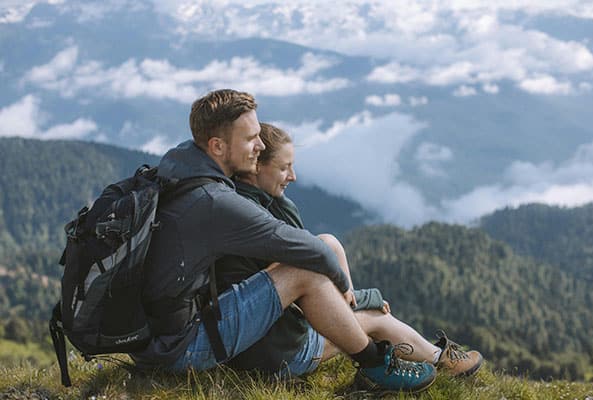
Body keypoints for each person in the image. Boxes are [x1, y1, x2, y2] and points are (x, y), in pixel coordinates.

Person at [131, 89, 438, 394]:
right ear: (217, 146)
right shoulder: (216, 202)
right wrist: (349, 291)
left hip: (157, 338)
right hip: (180, 348)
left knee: (311, 260)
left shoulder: (180, 166)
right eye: (251, 138)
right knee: (303, 268)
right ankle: (375, 365)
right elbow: (308, 250)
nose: (260, 145)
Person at [217, 122, 483, 379]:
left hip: (252, 339)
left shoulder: (245, 201)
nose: (293, 176)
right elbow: (303, 286)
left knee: (328, 242)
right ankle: (443, 361)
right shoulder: (262, 221)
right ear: (256, 167)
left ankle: (364, 322)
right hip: (278, 355)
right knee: (378, 318)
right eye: (284, 167)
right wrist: (371, 299)